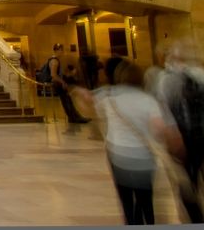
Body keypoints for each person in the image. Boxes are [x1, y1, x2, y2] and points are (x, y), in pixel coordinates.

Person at [80, 58, 179, 225]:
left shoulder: (109, 98)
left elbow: (88, 106)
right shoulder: (147, 100)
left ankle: (132, 222)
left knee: (126, 199)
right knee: (145, 200)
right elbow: (160, 128)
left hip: (118, 155)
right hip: (143, 156)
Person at [151, 38, 204, 223]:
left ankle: (195, 218)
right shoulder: (196, 74)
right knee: (190, 178)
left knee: (187, 180)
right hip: (192, 134)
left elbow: (164, 109)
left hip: (185, 135)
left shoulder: (167, 78)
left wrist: (171, 135)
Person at [47, 44, 89, 124]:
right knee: (66, 100)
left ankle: (74, 116)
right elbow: (53, 75)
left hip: (59, 83)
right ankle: (74, 117)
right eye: (61, 50)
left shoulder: (57, 60)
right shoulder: (54, 61)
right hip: (58, 84)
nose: (62, 52)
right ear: (56, 50)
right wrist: (63, 82)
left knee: (67, 100)